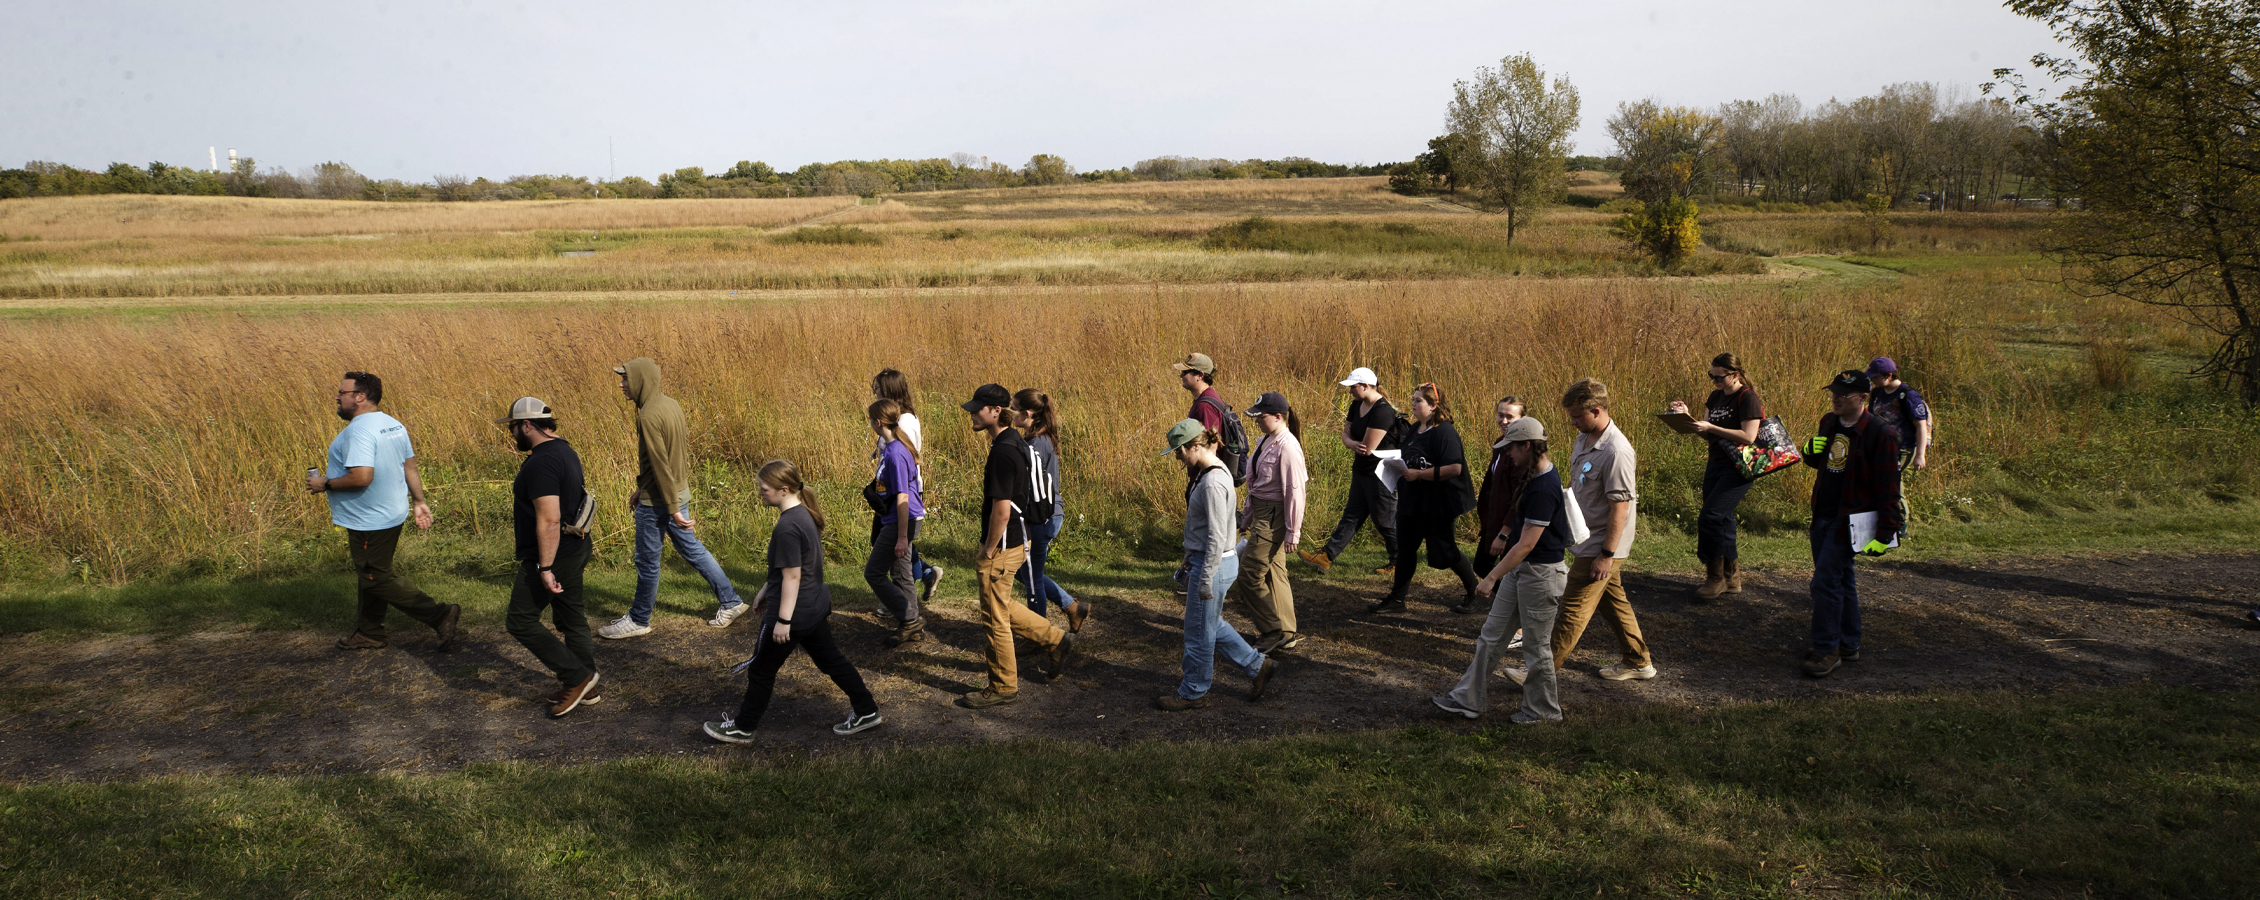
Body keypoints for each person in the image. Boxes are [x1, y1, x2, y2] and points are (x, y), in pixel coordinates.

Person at [704, 459, 884, 742]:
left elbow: (792, 578)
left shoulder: (787, 527)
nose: (760, 493)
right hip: (814, 607)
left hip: (795, 614)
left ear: (783, 489)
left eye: (764, 489)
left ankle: (743, 727)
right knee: (832, 661)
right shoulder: (802, 514)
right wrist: (765, 589)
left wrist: (783, 620)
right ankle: (867, 710)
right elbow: (792, 567)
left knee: (761, 671)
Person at [1432, 417, 1570, 724]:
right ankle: (1467, 699)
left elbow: (1526, 545)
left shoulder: (1544, 486)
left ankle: (1544, 711)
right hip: (1521, 570)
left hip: (1540, 575)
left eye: (1511, 448)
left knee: (1536, 648)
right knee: (1491, 637)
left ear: (1527, 446)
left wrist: (1492, 576)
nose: (1507, 454)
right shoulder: (1530, 475)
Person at [308, 371, 459, 652]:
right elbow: (409, 466)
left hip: (369, 519)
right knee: (372, 573)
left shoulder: (358, 431)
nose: (337, 397)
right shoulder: (392, 425)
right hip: (390, 513)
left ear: (360, 397)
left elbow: (362, 477)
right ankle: (370, 631)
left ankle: (439, 615)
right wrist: (419, 501)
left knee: (375, 577)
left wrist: (324, 483)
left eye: (342, 392)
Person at [599, 358, 744, 639]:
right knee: (693, 550)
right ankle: (732, 601)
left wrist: (672, 508)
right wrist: (643, 488)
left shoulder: (648, 416)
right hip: (675, 492)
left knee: (647, 561)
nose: (621, 384)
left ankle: (639, 620)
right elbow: (667, 458)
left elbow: (660, 465)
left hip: (660, 502)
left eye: (626, 378)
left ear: (641, 380)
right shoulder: (670, 405)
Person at [957, 383, 1077, 709]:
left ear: (996, 411)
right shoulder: (1015, 442)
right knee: (1003, 604)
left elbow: (1002, 507)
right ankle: (1055, 640)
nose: (972, 412)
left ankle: (1003, 686)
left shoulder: (1003, 451)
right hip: (1017, 541)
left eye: (977, 408)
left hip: (1003, 545)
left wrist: (988, 548)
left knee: (993, 618)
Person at [1159, 419, 1280, 710]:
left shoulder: (1212, 481)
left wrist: (1204, 577)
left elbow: (1215, 536)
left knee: (1198, 634)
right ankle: (1257, 665)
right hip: (1210, 561)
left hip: (1212, 565)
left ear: (1196, 446)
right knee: (1209, 624)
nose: (1177, 457)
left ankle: (1193, 691)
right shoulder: (1212, 471)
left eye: (1180, 451)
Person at [496, 397, 600, 718]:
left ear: (527, 425)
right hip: (576, 544)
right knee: (570, 616)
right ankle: (588, 687)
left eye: (513, 427)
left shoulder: (541, 462)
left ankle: (578, 677)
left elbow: (550, 518)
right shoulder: (565, 450)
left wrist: (545, 566)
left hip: (555, 553)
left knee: (520, 620)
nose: (511, 434)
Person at [1548, 379, 1657, 681]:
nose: (1572, 423)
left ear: (1596, 411)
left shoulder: (1616, 452)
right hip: (1585, 535)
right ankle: (1638, 662)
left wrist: (1606, 554)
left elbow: (1619, 508)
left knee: (1572, 608)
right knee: (1613, 601)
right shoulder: (1584, 438)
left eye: (1576, 416)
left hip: (1601, 543)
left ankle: (1539, 672)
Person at [1797, 371, 1903, 678]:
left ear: (1863, 398)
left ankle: (1826, 649)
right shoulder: (1829, 422)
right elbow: (1822, 462)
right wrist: (1808, 452)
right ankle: (1848, 643)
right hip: (1823, 513)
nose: (1836, 398)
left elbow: (1888, 487)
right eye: (1833, 392)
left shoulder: (1880, 434)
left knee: (1824, 582)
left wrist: (1886, 532)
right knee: (1841, 579)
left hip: (1851, 519)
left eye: (1843, 394)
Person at [1369, 382, 1480, 614]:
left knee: (1445, 552)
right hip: (1412, 502)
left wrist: (1419, 474)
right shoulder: (1414, 429)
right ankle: (1397, 600)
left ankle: (1476, 592)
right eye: (1413, 399)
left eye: (1418, 400)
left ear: (1433, 405)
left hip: (1436, 505)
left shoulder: (1444, 432)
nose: (1413, 403)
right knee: (1406, 549)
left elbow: (1454, 468)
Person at [1666, 352, 1764, 601]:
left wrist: (1711, 427)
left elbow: (1748, 436)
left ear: (1735, 374)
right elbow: (1708, 434)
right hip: (1716, 464)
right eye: (1712, 376)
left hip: (1739, 467)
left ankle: (1714, 578)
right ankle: (1732, 578)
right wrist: (1688, 418)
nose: (1715, 382)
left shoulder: (1748, 397)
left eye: (1719, 377)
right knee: (1724, 519)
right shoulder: (1716, 396)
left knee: (1710, 517)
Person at [1228, 392, 1308, 653]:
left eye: (1260, 417)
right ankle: (1286, 632)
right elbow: (1256, 486)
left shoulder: (1288, 447)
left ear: (1278, 417)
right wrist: (1247, 518)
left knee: (1249, 573)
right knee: (1275, 572)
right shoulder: (1265, 440)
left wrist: (1293, 532)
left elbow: (1295, 492)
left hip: (1273, 517)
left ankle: (1271, 631)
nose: (1257, 422)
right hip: (1263, 514)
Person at [1303, 367, 1401, 576]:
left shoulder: (1382, 411)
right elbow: (1345, 434)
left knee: (1385, 521)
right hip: (1361, 472)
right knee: (1351, 516)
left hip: (1380, 475)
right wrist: (1350, 443)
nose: (1350, 392)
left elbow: (1367, 448)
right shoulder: (1357, 405)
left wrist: (1351, 442)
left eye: (1353, 387)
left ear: (1365, 386)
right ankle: (1326, 557)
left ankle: (1400, 560)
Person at [1013, 389, 1090, 634]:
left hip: (1042, 517)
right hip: (1049, 513)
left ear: (1027, 414)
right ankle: (1071, 606)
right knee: (1025, 572)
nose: (1009, 413)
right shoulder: (1041, 437)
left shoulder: (1036, 443)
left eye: (1013, 409)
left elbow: (1032, 489)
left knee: (1031, 578)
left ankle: (1039, 634)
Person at [872, 368, 943, 606]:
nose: (874, 392)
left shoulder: (904, 421)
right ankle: (920, 578)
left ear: (889, 390)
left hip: (902, 492)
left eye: (878, 388)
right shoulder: (896, 418)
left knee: (894, 542)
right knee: (889, 541)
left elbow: (903, 461)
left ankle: (903, 600)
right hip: (891, 491)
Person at [863, 399, 928, 647]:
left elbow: (903, 496)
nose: (870, 424)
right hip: (895, 518)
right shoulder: (890, 448)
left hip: (903, 520)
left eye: (870, 420)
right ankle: (910, 626)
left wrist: (901, 537)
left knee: (874, 573)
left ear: (878, 422)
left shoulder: (897, 453)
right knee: (902, 576)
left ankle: (910, 618)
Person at [1465, 395, 1527, 615]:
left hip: (1511, 525)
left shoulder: (1521, 452)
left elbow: (1519, 496)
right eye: (1500, 415)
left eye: (1510, 416)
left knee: (1510, 572)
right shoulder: (1500, 445)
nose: (1504, 420)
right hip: (1494, 520)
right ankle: (1507, 606)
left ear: (1522, 418)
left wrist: (1504, 532)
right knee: (1482, 564)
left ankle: (1513, 616)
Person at [1866, 357, 1932, 541]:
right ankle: (1882, 520)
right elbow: (1871, 417)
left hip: (1903, 448)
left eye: (1875, 377)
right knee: (1881, 482)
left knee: (1892, 483)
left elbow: (1921, 426)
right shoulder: (1877, 392)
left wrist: (1920, 455)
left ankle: (1900, 524)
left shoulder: (1908, 395)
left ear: (1888, 375)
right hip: (1881, 446)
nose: (1872, 380)